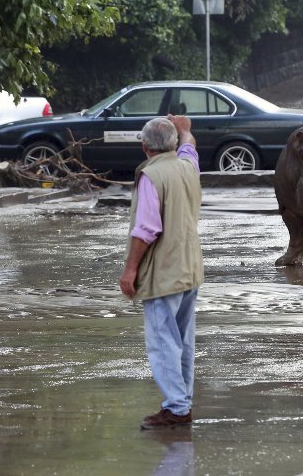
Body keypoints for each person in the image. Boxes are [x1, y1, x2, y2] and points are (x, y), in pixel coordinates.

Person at [120, 114, 203, 430]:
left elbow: (146, 230)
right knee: (182, 339)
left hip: (163, 272)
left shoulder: (151, 176)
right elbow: (190, 148)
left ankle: (178, 408)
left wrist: (130, 270)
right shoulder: (187, 166)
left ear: (144, 147)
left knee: (163, 341)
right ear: (173, 144)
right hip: (189, 268)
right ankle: (181, 402)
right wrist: (184, 131)